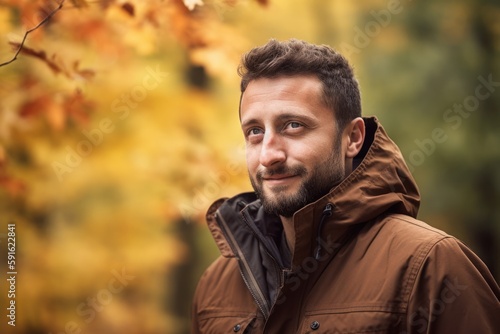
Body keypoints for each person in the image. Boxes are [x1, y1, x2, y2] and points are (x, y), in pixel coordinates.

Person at [191, 39, 500, 333]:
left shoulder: (430, 266)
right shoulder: (216, 285)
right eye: (255, 132)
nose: (269, 155)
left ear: (353, 138)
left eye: (293, 126)